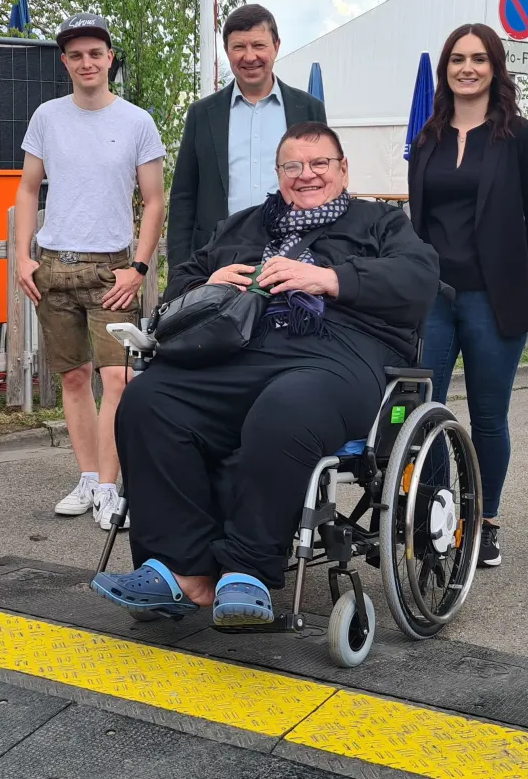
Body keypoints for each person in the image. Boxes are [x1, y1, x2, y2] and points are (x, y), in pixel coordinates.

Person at [91, 122, 438, 625]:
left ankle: (247, 570)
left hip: (338, 352)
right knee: (150, 401)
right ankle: (182, 569)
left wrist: (330, 279)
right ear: (278, 173)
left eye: (320, 163)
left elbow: (420, 277)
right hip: (237, 351)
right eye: (293, 166)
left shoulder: (380, 223)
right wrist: (211, 281)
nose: (307, 175)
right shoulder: (244, 226)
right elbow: (180, 286)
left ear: (343, 170)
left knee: (287, 408)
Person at [407, 24, 528, 569]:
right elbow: (420, 218)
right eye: (457, 59)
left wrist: (515, 265)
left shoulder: (520, 138)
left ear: (495, 67)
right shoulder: (428, 139)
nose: (467, 68)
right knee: (427, 411)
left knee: (489, 416)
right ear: (446, 69)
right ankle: (442, 514)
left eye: (478, 59)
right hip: (434, 298)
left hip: (495, 298)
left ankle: (484, 521)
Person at [14, 13, 166, 531]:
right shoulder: (46, 117)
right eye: (76, 55)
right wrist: (21, 255)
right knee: (74, 377)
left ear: (109, 58)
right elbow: (29, 188)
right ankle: (85, 478)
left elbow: (153, 200)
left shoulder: (137, 122)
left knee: (118, 380)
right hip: (53, 267)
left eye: (95, 54)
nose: (86, 63)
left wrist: (139, 268)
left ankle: (108, 487)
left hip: (112, 271)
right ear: (66, 62)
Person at [167, 4, 328, 267]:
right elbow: (184, 196)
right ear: (227, 51)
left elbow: (324, 184)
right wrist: (179, 275)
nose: (249, 56)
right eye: (239, 47)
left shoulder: (308, 109)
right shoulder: (202, 113)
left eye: (259, 45)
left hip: (294, 255)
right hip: (217, 259)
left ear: (276, 46)